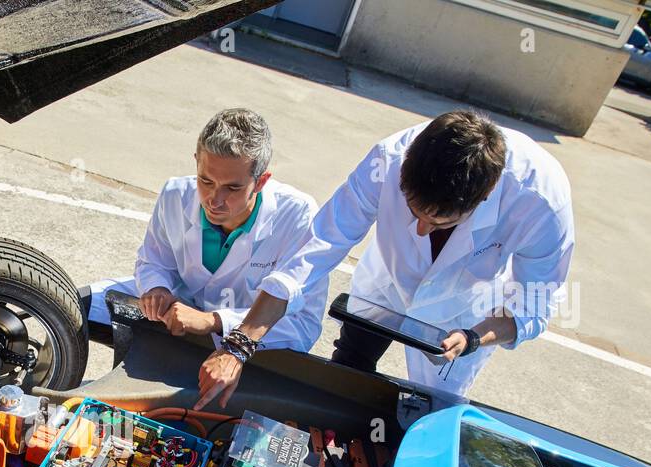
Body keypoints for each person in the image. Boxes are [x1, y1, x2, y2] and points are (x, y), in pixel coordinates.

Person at [195, 110, 575, 409]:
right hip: (384, 285)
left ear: (485, 195)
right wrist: (240, 344)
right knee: (346, 377)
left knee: (429, 413)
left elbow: (534, 304)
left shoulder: (541, 200)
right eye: (413, 212)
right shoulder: (388, 158)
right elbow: (318, 247)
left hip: (464, 315)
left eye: (439, 223)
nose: (421, 231)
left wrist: (474, 337)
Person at [81, 108, 327, 355]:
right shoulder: (175, 194)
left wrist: (214, 321)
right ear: (196, 161)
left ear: (261, 181)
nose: (214, 200)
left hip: (242, 341)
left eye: (232, 188)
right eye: (206, 181)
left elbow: (303, 326)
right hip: (177, 311)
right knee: (74, 306)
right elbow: (153, 262)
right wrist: (157, 289)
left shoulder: (298, 217)